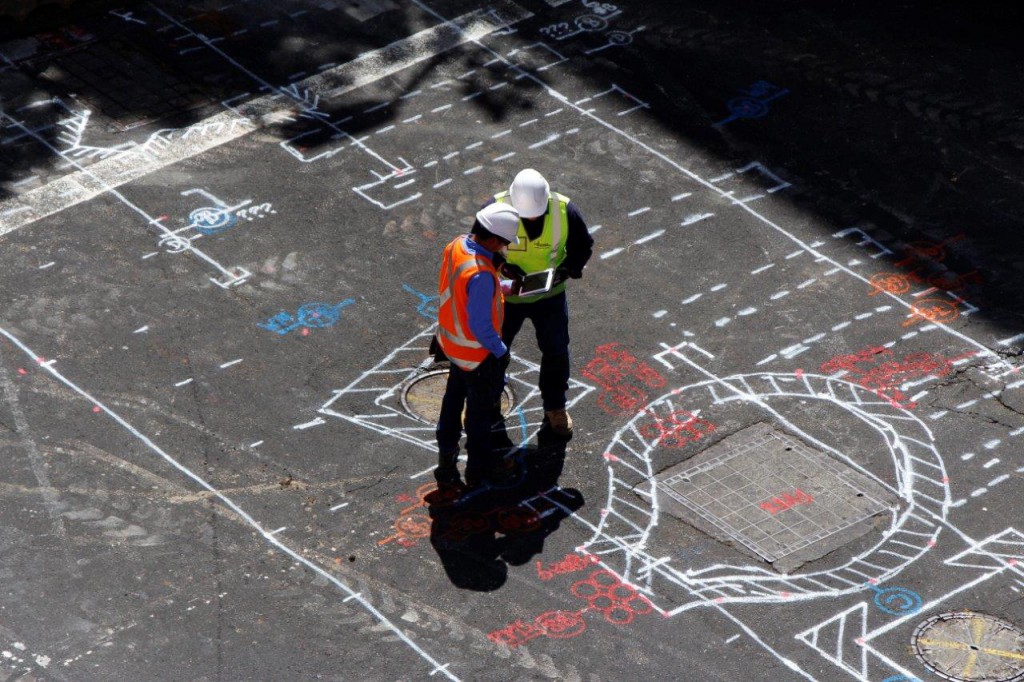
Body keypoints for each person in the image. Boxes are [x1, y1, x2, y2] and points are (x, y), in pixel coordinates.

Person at [485, 168, 594, 437]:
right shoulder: (494, 209)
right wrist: (502, 266)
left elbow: (583, 246)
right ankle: (488, 397)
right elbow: (477, 247)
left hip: (549, 296)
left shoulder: (565, 211)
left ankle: (555, 406)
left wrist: (566, 270)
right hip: (507, 295)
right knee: (494, 349)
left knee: (556, 350)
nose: (531, 220)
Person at [434, 202, 522, 490]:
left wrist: (503, 288)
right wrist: (501, 352)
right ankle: (479, 469)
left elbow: (464, 294)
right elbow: (481, 325)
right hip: (476, 355)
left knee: (451, 404)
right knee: (479, 415)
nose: (504, 248)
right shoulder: (482, 274)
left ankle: (446, 464)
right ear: (494, 239)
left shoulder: (457, 246)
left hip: (451, 344)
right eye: (505, 243)